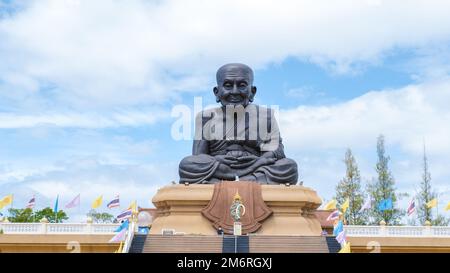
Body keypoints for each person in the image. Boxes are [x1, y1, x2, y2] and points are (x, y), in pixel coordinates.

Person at [179, 63, 298, 184]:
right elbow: (198, 157)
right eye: (228, 85)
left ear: (252, 92)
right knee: (187, 164)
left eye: (242, 85)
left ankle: (221, 183)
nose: (235, 91)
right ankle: (248, 182)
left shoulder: (265, 115)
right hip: (220, 167)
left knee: (289, 166)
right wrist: (217, 160)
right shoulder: (205, 117)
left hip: (255, 166)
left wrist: (258, 162)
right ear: (217, 92)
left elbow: (276, 152)